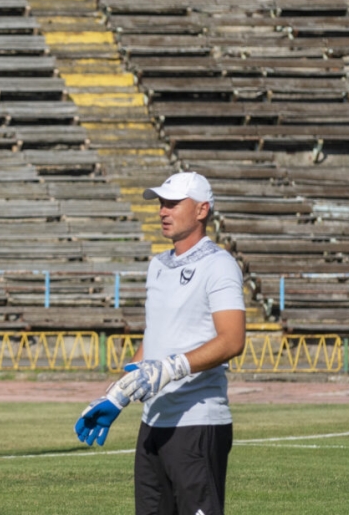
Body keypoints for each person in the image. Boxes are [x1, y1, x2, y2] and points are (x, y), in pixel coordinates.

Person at [74, 171, 246, 515]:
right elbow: (153, 341)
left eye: (172, 203)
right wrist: (118, 393)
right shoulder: (158, 265)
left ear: (201, 210)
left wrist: (171, 367)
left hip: (197, 423)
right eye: (161, 204)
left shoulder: (219, 265)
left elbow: (233, 340)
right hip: (152, 425)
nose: (162, 211)